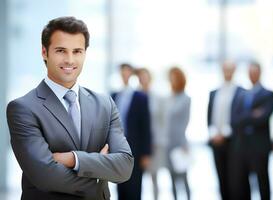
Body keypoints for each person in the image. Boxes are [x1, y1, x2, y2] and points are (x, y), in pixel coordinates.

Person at [6, 16, 134, 200]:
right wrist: (100, 174)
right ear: (44, 52)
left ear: (85, 53)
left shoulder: (104, 104)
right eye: (60, 51)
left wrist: (73, 159)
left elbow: (124, 166)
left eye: (77, 51)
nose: (70, 60)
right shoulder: (23, 108)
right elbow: (45, 176)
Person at [231, 62, 273, 200]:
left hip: (260, 146)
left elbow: (263, 118)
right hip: (243, 145)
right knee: (243, 182)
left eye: (255, 72)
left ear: (260, 73)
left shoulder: (269, 94)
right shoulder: (241, 95)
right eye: (250, 72)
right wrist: (252, 114)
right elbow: (234, 119)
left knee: (262, 181)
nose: (252, 75)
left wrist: (245, 115)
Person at [111, 64, 152, 200]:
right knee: (120, 184)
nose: (124, 76)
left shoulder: (140, 97)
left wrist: (146, 153)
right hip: (117, 147)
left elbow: (146, 126)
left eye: (127, 73)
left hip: (136, 148)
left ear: (132, 75)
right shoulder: (114, 95)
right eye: (122, 73)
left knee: (134, 186)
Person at [207, 61, 244, 200]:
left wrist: (224, 134)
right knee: (221, 178)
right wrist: (214, 134)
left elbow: (239, 117)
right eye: (225, 69)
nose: (227, 72)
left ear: (234, 70)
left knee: (234, 181)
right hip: (216, 142)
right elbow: (209, 117)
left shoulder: (241, 92)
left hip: (233, 142)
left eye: (230, 69)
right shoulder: (214, 92)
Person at [136, 68, 167, 200]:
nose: (143, 79)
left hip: (155, 142)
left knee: (154, 175)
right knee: (138, 176)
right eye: (141, 77)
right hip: (139, 142)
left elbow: (162, 122)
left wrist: (156, 141)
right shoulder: (135, 96)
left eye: (145, 76)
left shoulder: (157, 97)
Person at [165, 67, 191, 200]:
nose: (172, 79)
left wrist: (183, 143)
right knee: (172, 177)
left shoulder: (186, 99)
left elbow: (185, 123)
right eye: (170, 77)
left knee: (183, 177)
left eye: (174, 77)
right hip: (168, 143)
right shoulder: (168, 97)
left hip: (180, 143)